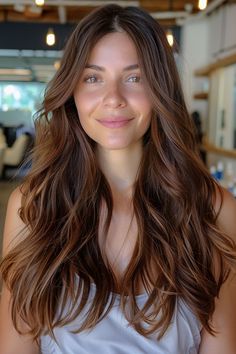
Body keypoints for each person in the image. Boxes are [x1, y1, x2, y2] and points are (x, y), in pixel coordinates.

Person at [0, 4, 236, 354]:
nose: (113, 99)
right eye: (93, 78)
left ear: (160, 89)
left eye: (134, 77)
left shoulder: (214, 209)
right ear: (72, 91)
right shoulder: (33, 206)